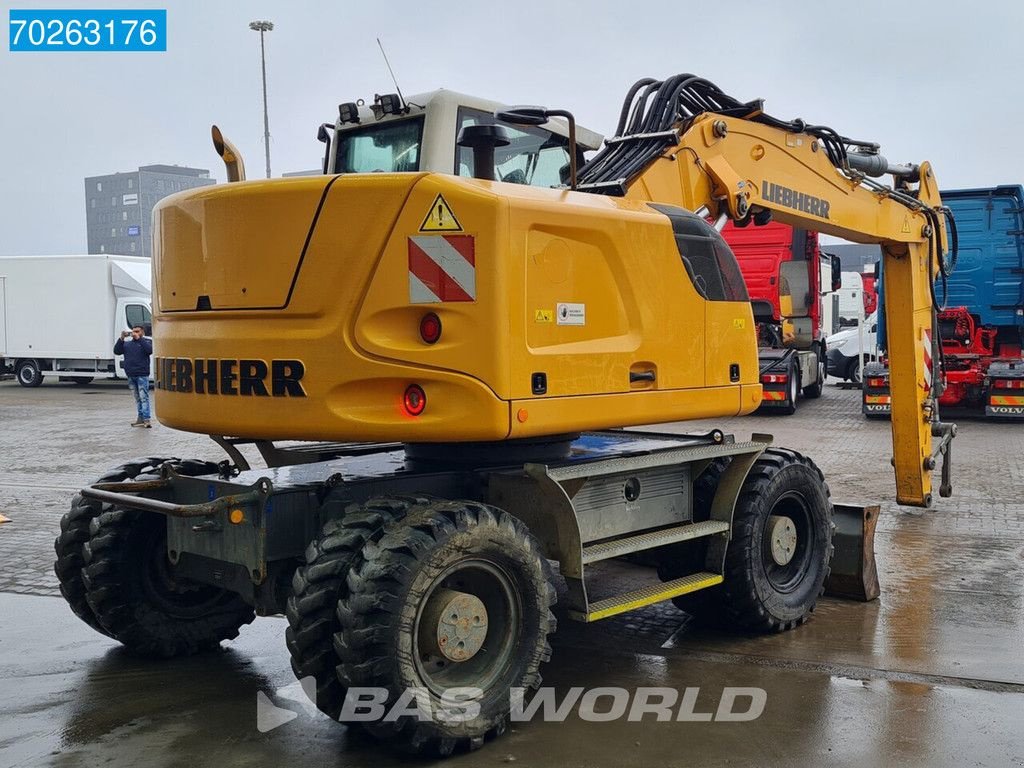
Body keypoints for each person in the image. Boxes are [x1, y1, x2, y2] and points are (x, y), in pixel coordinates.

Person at [113, 326, 154, 428]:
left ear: (142, 332)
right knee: (138, 398)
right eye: (133, 331)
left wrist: (139, 339)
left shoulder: (146, 342)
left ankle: (146, 419)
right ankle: (140, 419)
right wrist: (121, 338)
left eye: (137, 331)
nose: (134, 333)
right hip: (131, 375)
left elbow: (149, 350)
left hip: (142, 374)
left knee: (144, 398)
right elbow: (117, 351)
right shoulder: (127, 344)